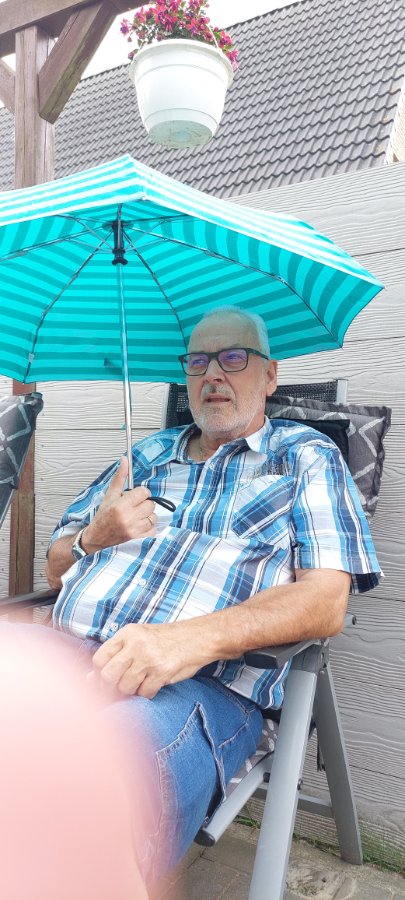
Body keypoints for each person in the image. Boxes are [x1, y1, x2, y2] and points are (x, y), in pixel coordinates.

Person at [40, 307, 382, 882]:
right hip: (69, 652)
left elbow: (326, 601)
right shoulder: (144, 456)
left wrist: (183, 642)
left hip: (202, 685)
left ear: (269, 376)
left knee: (105, 776)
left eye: (233, 358)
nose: (213, 374)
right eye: (198, 361)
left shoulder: (306, 457)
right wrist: (94, 537)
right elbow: (54, 569)